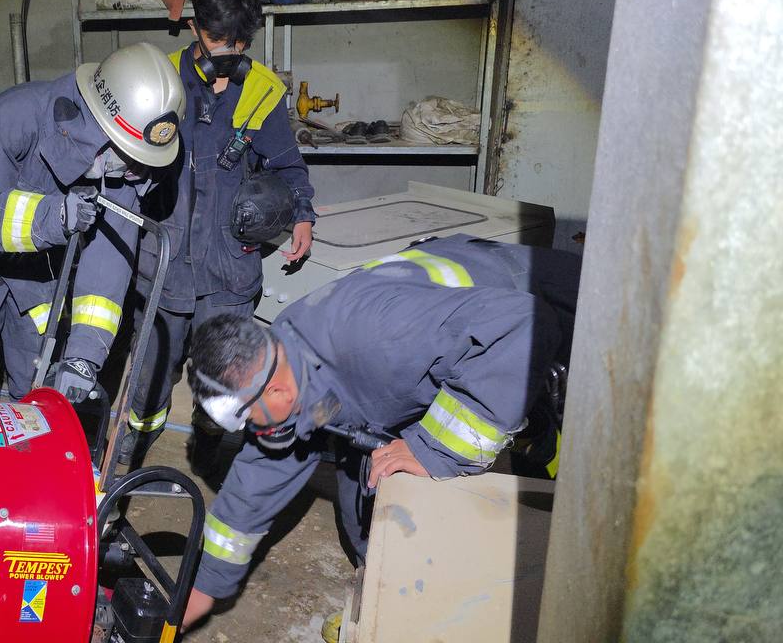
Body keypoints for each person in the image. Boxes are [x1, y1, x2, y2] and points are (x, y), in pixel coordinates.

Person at [178, 235, 580, 628]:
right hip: (459, 332)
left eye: (248, 418)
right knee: (371, 486)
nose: (250, 429)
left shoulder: (380, 340)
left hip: (553, 311)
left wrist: (433, 450)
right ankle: (384, 600)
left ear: (277, 391)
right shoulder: (288, 358)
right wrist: (204, 587)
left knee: (438, 473)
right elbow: (260, 475)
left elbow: (523, 325)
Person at [114, 0, 316, 467]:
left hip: (229, 269)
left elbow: (288, 166)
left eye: (240, 42)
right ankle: (137, 437)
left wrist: (302, 214)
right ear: (194, 27)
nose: (230, 51)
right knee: (150, 371)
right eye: (218, 39)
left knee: (224, 372)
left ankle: (209, 436)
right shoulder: (159, 80)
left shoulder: (263, 91)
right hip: (164, 262)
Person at [0, 42, 184, 406]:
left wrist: (84, 356)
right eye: (130, 156)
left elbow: (108, 263)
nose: (136, 171)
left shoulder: (125, 166)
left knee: (35, 392)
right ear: (102, 127)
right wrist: (53, 217)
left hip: (37, 278)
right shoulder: (16, 116)